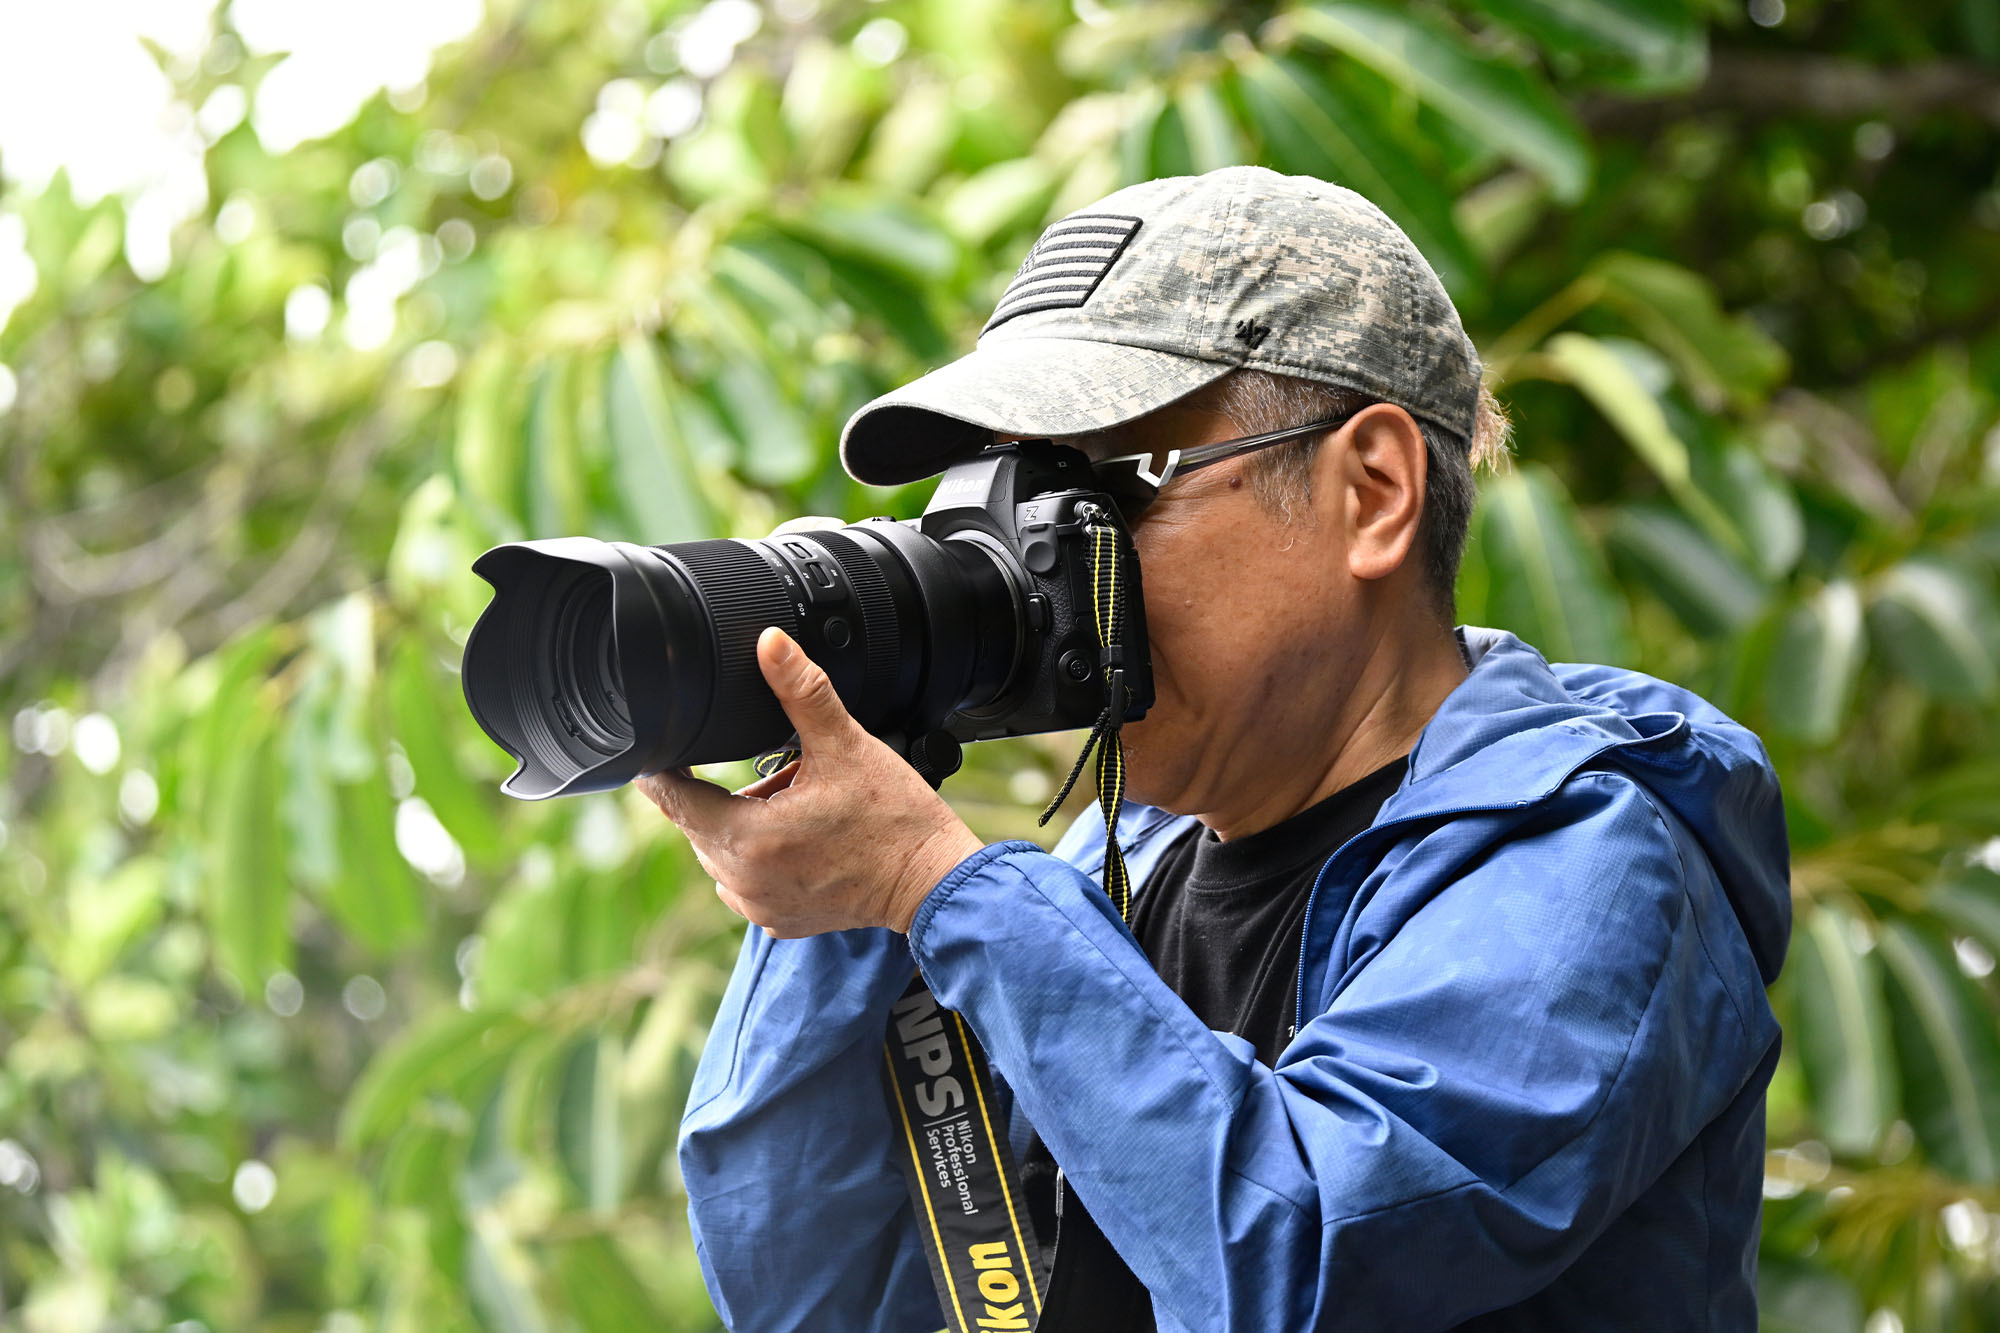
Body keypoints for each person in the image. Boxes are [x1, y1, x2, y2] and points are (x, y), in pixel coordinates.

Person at [639, 166, 1790, 1330]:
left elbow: (1308, 1260)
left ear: (1371, 492)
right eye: (1006, 506)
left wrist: (931, 884)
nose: (1041, 576)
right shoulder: (1110, 875)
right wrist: (838, 905)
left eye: (1102, 496)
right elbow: (819, 1300)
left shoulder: (1589, 857)